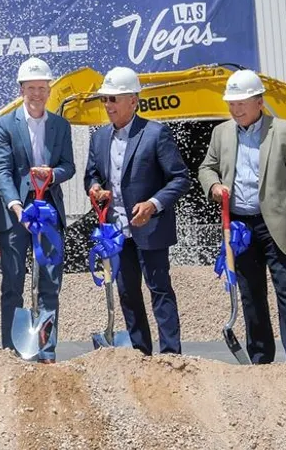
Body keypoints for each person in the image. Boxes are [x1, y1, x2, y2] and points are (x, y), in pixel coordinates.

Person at [198, 69, 286, 363]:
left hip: (279, 224)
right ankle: (261, 360)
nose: (235, 109)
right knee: (251, 294)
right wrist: (213, 185)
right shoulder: (221, 133)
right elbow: (207, 167)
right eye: (232, 103)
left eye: (241, 103)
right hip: (240, 226)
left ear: (259, 102)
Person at [85, 66, 191, 356]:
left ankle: (171, 355)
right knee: (127, 293)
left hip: (151, 228)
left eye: (113, 99)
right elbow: (91, 175)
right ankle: (140, 353)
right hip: (117, 230)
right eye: (105, 99)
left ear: (133, 100)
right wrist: (95, 188)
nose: (108, 105)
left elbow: (181, 178)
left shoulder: (156, 134)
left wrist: (153, 204)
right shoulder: (99, 138)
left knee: (159, 290)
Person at [0, 57, 75, 363]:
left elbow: (69, 166)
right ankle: (13, 353)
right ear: (21, 89)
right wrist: (15, 206)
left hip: (48, 211)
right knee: (13, 283)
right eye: (32, 87)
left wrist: (52, 175)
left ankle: (46, 349)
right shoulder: (4, 125)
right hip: (14, 216)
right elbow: (1, 169)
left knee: (50, 282)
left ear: (49, 89)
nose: (38, 93)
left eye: (43, 87)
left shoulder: (60, 125)